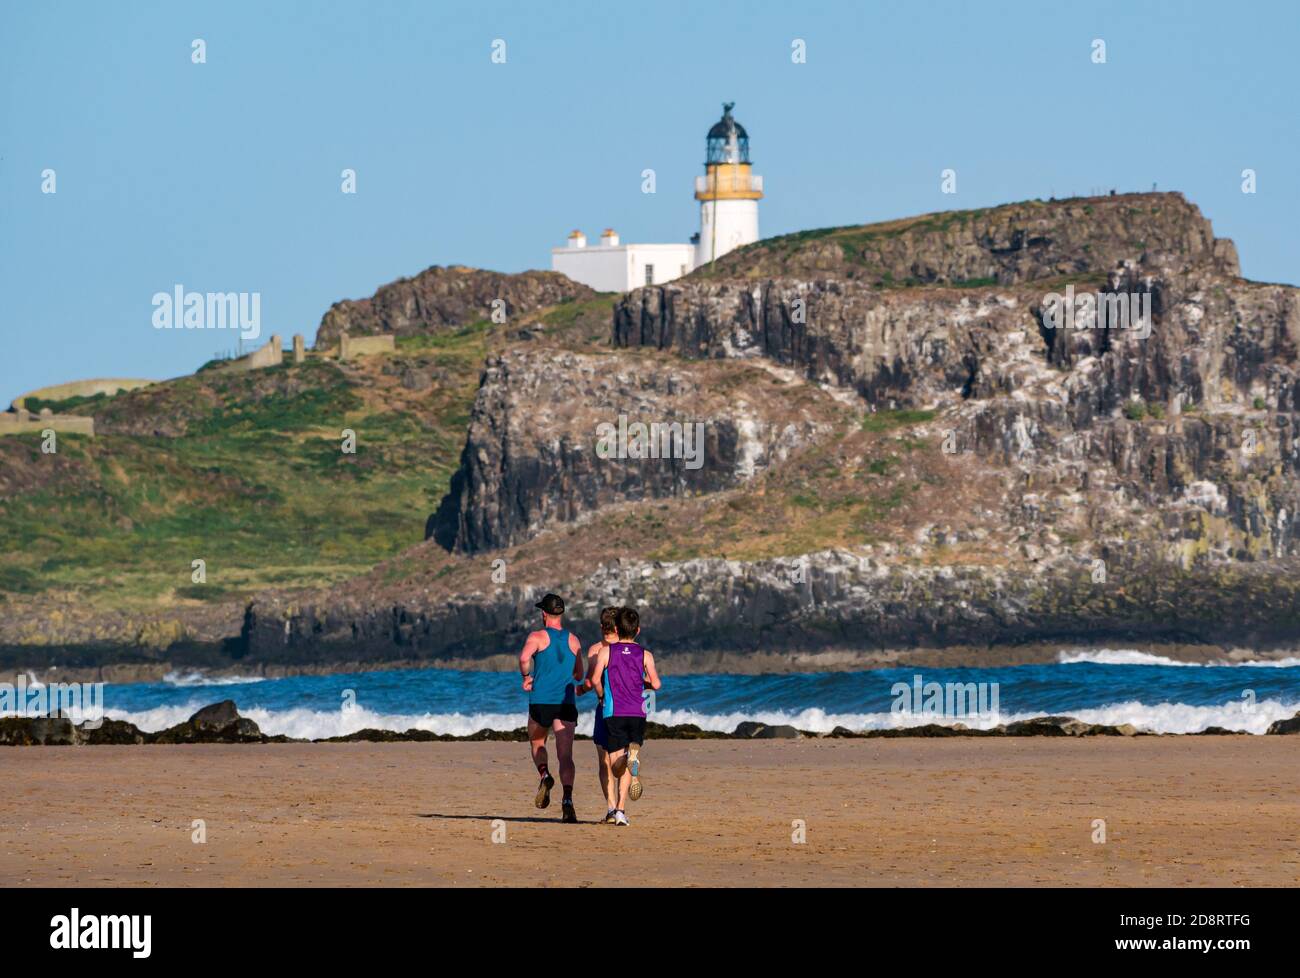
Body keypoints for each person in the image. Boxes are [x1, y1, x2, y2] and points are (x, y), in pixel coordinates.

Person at [589, 606, 661, 826]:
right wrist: (642, 682)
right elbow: (656, 684)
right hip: (637, 712)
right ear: (638, 630)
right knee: (630, 757)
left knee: (613, 765)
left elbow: (594, 680)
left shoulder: (605, 652)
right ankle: (620, 810)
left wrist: (602, 696)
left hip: (614, 711)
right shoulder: (645, 654)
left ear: (616, 629)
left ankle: (626, 760)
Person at [518, 593, 583, 823]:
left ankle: (545, 774)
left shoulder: (536, 637)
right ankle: (567, 800)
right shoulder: (574, 640)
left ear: (544, 613)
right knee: (565, 755)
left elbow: (524, 657)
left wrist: (527, 676)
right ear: (561, 613)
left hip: (541, 700)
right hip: (565, 702)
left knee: (537, 743)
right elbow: (579, 674)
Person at [576, 606, 620, 823]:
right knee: (620, 758)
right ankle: (621, 809)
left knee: (604, 761)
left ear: (601, 626)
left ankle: (611, 809)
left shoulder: (595, 650)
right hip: (629, 708)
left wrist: (579, 691)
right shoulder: (632, 648)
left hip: (605, 708)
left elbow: (590, 681)